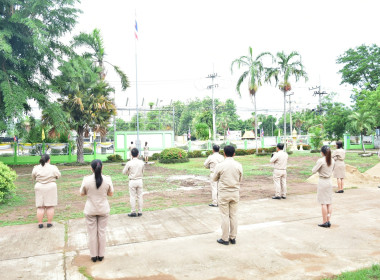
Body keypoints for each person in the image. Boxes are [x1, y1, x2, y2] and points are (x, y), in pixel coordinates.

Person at [80, 159, 114, 263]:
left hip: (90, 209)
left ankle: (93, 256)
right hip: (103, 209)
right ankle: (101, 255)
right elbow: (111, 193)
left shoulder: (86, 180)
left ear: (91, 168)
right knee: (102, 232)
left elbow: (82, 193)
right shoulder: (107, 179)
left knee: (92, 233)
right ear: (102, 167)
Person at [213, 145, 243, 245]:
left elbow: (214, 179)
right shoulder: (239, 165)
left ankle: (225, 238)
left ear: (224, 153)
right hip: (235, 193)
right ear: (234, 154)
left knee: (224, 216)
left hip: (224, 193)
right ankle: (233, 237)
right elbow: (240, 179)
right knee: (233, 215)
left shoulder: (220, 165)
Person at [32, 154, 61, 228]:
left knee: (40, 207)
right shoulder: (53, 168)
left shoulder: (36, 168)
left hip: (39, 187)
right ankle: (49, 223)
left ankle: (40, 223)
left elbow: (33, 176)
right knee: (50, 206)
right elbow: (58, 175)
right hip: (50, 187)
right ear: (49, 160)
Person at [312, 145, 335, 228]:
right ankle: (328, 220)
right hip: (329, 181)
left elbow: (313, 171)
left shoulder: (321, 160)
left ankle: (324, 221)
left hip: (322, 182)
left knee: (323, 203)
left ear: (322, 152)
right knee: (329, 202)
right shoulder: (332, 160)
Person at [123, 148, 145, 217]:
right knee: (140, 196)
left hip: (132, 180)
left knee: (132, 197)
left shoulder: (129, 163)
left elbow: (124, 172)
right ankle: (140, 211)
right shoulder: (141, 162)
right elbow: (143, 171)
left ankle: (133, 211)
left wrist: (129, 172)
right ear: (138, 154)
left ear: (131, 154)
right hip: (139, 180)